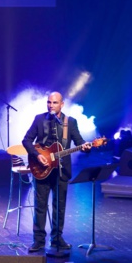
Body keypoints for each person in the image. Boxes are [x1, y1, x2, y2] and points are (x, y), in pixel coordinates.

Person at [22, 92, 91, 252]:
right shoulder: (39, 119)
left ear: (62, 104)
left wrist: (87, 147)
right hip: (41, 168)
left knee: (59, 207)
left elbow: (79, 142)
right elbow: (26, 140)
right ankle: (38, 241)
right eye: (49, 102)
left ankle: (57, 239)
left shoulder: (70, 122)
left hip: (61, 170)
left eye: (54, 102)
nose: (51, 105)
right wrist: (37, 155)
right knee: (40, 206)